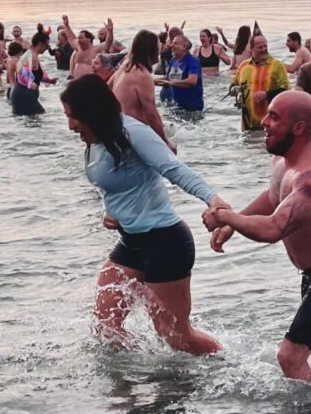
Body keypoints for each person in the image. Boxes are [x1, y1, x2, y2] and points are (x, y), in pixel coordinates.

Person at [202, 91, 311, 382]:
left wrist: (226, 216)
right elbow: (272, 197)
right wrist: (230, 226)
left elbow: (274, 229)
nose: (264, 121)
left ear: (299, 127)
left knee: (289, 357)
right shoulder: (283, 164)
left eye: (274, 117)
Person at [60, 75, 227, 355]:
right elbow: (118, 188)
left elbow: (173, 169)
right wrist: (110, 214)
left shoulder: (132, 132)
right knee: (106, 327)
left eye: (73, 116)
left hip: (165, 243)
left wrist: (213, 199)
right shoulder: (98, 140)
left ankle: (225, 362)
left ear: (91, 111)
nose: (70, 125)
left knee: (176, 338)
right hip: (131, 244)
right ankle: (129, 389)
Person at [112, 30, 175, 151]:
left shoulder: (126, 65)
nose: (160, 50)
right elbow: (151, 113)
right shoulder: (142, 75)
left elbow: (107, 89)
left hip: (120, 128)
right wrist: (166, 141)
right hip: (136, 133)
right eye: (157, 46)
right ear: (150, 50)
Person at [231, 35, 291, 130]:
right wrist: (233, 89)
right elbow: (234, 83)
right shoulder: (244, 65)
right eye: (260, 47)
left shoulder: (277, 65)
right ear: (251, 49)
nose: (264, 49)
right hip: (247, 124)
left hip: (270, 125)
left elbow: (286, 91)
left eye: (265, 46)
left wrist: (266, 95)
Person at [11, 31, 56, 117]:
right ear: (40, 44)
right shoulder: (32, 56)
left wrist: (49, 80)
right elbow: (23, 71)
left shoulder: (30, 54)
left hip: (20, 93)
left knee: (32, 123)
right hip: (24, 94)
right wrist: (30, 83)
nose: (47, 48)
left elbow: (33, 74)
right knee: (38, 121)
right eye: (46, 45)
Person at [156, 35, 204, 111]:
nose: (171, 45)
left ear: (184, 47)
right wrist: (151, 81)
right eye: (172, 43)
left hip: (192, 108)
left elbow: (192, 81)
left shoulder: (193, 61)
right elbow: (168, 78)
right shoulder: (173, 60)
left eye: (175, 43)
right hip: (177, 105)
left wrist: (171, 83)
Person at [61, 15, 115, 79]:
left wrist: (110, 31)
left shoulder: (96, 49)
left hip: (90, 82)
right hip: (77, 81)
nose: (79, 40)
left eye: (81, 38)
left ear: (89, 39)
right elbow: (71, 39)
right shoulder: (78, 47)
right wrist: (66, 25)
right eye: (78, 38)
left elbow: (108, 43)